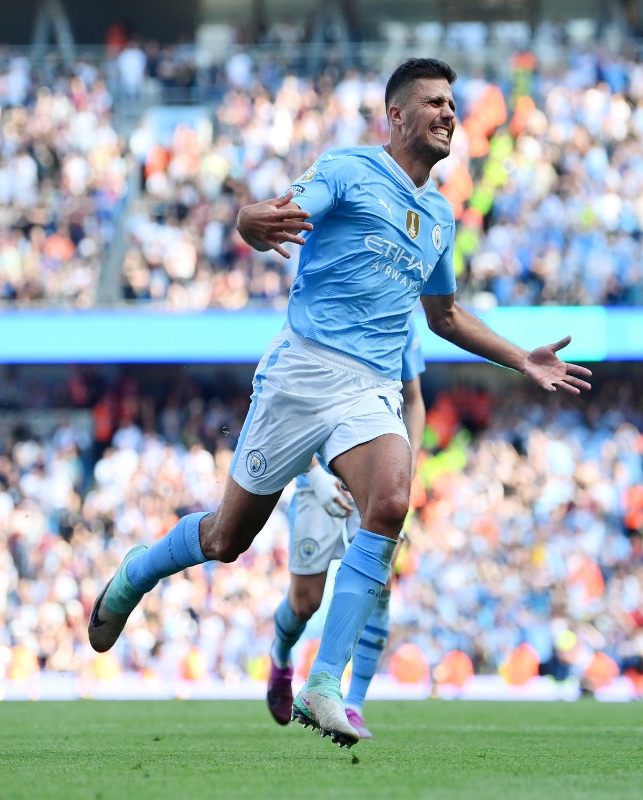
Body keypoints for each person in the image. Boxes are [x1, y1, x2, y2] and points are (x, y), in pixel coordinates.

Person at [87, 58, 592, 748]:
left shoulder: (439, 216)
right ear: (397, 116)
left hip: (370, 387)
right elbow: (280, 214)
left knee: (391, 500)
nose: (449, 115)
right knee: (225, 541)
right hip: (303, 371)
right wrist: (247, 220)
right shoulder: (347, 170)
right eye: (435, 104)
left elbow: (442, 319)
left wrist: (520, 357)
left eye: (453, 105)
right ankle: (139, 569)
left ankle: (326, 686)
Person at [265, 316, 427, 740]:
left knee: (380, 584)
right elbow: (292, 403)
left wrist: (403, 477)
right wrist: (315, 477)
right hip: (318, 474)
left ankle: (352, 704)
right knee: (305, 603)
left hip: (372, 469)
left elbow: (413, 400)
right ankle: (281, 656)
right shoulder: (325, 306)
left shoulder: (400, 317)